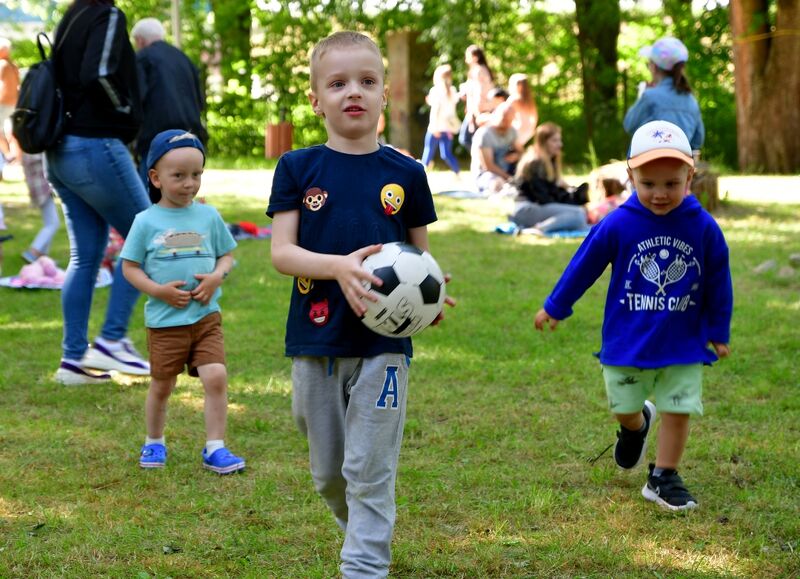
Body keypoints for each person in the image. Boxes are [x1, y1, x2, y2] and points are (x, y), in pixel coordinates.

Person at [267, 31, 453, 577]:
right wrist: (339, 267)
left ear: (385, 93)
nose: (355, 91)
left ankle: (364, 566)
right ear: (315, 98)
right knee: (329, 473)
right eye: (339, 82)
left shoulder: (406, 173)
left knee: (369, 467)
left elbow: (419, 259)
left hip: (384, 343)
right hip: (316, 338)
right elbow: (282, 253)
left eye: (367, 81)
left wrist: (433, 292)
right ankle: (362, 534)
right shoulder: (298, 169)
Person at [534, 120, 733, 511]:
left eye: (671, 184)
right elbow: (583, 265)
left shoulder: (704, 228)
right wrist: (556, 306)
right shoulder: (619, 223)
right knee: (622, 406)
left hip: (683, 340)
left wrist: (717, 329)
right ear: (631, 176)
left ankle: (663, 476)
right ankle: (637, 424)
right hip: (628, 339)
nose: (660, 194)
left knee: (679, 407)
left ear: (689, 176)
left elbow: (718, 279)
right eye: (649, 184)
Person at [120, 129, 243, 474]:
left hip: (205, 317)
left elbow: (227, 256)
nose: (190, 184)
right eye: (179, 176)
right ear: (156, 178)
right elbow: (130, 268)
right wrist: (158, 291)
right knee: (162, 385)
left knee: (216, 377)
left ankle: (215, 447)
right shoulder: (145, 222)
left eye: (196, 175)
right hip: (165, 322)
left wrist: (218, 276)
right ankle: (154, 441)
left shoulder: (208, 216)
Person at [45, 0, 151, 385]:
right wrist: (126, 111)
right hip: (94, 145)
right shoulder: (107, 14)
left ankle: (73, 361)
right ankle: (111, 339)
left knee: (85, 256)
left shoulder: (72, 14)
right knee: (150, 236)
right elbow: (101, 72)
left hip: (59, 151)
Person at [131, 17, 207, 186]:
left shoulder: (142, 58)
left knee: (150, 198)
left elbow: (136, 100)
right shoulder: (184, 59)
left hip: (155, 141)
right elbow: (200, 101)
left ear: (140, 40)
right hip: (189, 137)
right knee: (184, 194)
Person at [623, 37, 704, 159]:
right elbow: (698, 140)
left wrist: (641, 95)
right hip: (678, 169)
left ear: (654, 67)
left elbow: (629, 124)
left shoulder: (649, 96)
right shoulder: (691, 100)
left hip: (648, 167)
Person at [509, 122, 589, 234]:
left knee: (581, 213)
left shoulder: (549, 162)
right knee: (578, 214)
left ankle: (540, 227)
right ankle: (538, 229)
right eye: (554, 141)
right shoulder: (535, 163)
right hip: (526, 210)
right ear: (543, 142)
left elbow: (551, 195)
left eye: (559, 140)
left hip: (538, 207)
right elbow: (543, 198)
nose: (560, 145)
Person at [471, 102, 521, 196]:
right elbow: (488, 166)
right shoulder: (485, 134)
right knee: (497, 184)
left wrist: (516, 156)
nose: (506, 124)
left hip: (506, 172)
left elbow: (521, 152)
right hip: (486, 175)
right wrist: (510, 179)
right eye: (504, 120)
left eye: (509, 121)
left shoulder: (511, 131)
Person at [21, 153, 62, 263]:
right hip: (42, 189)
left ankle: (42, 257)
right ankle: (34, 251)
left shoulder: (28, 148)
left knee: (50, 223)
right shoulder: (34, 151)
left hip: (40, 189)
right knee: (53, 223)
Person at [421, 64, 460, 175]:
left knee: (428, 151)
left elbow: (436, 110)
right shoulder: (452, 90)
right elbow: (451, 110)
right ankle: (457, 172)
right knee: (446, 154)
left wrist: (434, 127)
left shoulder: (436, 90)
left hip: (436, 127)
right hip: (448, 128)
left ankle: (422, 173)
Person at [458, 44, 495, 150]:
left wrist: (476, 112)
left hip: (479, 110)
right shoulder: (478, 70)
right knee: (474, 138)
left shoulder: (479, 71)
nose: (466, 59)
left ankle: (482, 160)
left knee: (467, 138)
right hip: (476, 110)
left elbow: (480, 92)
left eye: (468, 56)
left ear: (475, 57)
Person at [0, 37, 20, 163]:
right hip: (15, 103)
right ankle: (16, 156)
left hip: (4, 103)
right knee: (11, 130)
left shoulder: (2, 65)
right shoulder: (13, 66)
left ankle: (8, 154)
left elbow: (2, 85)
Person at [507, 73, 538, 150]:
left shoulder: (514, 99)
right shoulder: (530, 100)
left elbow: (505, 113)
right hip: (528, 132)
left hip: (518, 131)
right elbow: (535, 118)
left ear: (519, 85)